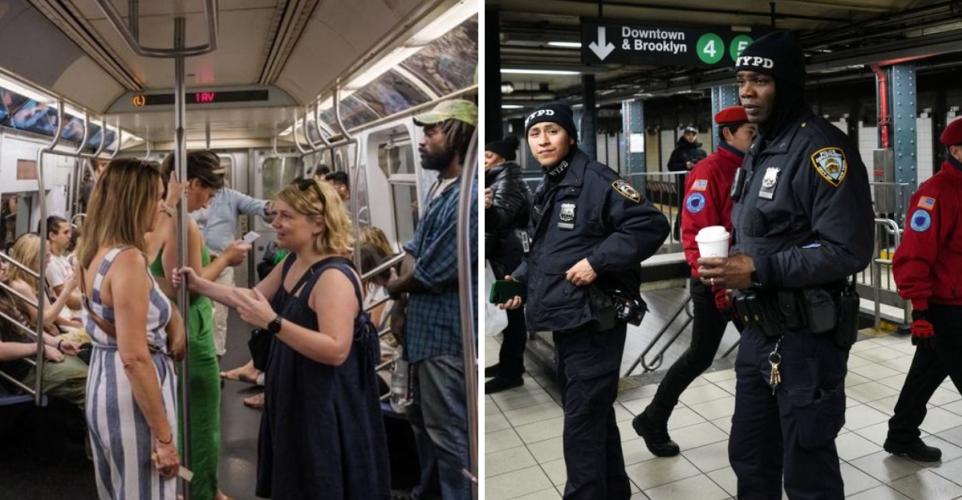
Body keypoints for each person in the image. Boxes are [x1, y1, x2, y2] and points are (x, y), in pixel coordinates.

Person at [697, 31, 873, 498]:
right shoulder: (761, 148)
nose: (747, 91)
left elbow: (848, 248)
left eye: (760, 80)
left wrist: (758, 269)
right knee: (751, 458)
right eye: (741, 81)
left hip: (805, 343)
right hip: (758, 334)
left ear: (788, 84)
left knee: (807, 470)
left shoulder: (822, 152)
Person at [176, 177, 390, 499]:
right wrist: (200, 285)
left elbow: (336, 349)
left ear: (317, 224)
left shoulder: (333, 278)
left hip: (324, 400)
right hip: (294, 391)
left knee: (319, 479)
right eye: (275, 215)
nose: (275, 223)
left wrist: (274, 323)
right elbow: (250, 296)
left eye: (286, 216)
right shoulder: (294, 262)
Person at [502, 102, 670, 500]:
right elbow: (548, 252)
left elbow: (650, 223)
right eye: (535, 134)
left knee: (581, 423)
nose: (543, 141)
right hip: (569, 317)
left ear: (570, 136)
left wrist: (597, 261)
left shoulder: (594, 180)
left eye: (552, 131)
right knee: (593, 414)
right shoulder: (551, 183)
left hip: (593, 319)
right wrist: (519, 281)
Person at [633, 106, 755, 455]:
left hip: (745, 280)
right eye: (750, 132)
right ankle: (654, 418)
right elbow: (696, 234)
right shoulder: (710, 170)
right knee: (703, 355)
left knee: (754, 355)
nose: (756, 138)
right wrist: (717, 288)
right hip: (717, 284)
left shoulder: (754, 166)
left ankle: (653, 418)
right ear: (728, 134)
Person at [77, 158, 187, 499]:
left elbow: (148, 248)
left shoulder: (93, 249)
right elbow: (135, 358)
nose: (158, 205)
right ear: (132, 201)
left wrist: (171, 204)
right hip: (132, 395)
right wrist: (165, 438)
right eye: (153, 197)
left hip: (102, 383)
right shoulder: (127, 261)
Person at [386, 98, 478, 500]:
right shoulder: (442, 191)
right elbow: (412, 249)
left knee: (449, 434)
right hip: (423, 335)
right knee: (423, 424)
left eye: (432, 131)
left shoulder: (467, 200)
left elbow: (431, 271)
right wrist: (403, 291)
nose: (423, 141)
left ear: (457, 136)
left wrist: (395, 288)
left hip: (446, 338)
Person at [155, 151, 250, 500]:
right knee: (204, 423)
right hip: (192, 328)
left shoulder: (157, 216)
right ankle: (203, 493)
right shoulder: (185, 224)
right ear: (192, 184)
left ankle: (190, 486)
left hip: (171, 328)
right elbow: (187, 286)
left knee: (179, 420)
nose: (209, 201)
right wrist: (226, 258)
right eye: (208, 192)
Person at [884, 117, 962, 462]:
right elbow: (914, 255)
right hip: (947, 308)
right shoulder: (935, 194)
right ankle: (901, 434)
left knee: (926, 371)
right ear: (957, 150)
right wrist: (921, 310)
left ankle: (901, 435)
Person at [191, 167, 273, 361]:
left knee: (218, 318)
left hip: (221, 264)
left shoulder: (231, 197)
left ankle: (214, 360)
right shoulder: (189, 199)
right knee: (194, 312)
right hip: (195, 263)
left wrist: (275, 207)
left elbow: (259, 206)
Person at [0, 258, 87, 410]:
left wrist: (57, 343)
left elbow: (29, 330)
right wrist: (41, 348)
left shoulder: (5, 293)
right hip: (25, 371)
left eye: (2, 261)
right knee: (88, 385)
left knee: (89, 372)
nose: (4, 266)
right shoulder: (14, 288)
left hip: (37, 358)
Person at [482, 135, 532, 394]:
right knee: (509, 312)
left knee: (513, 314)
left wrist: (487, 208)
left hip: (510, 258)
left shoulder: (508, 182)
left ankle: (512, 373)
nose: (484, 160)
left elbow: (500, 220)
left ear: (502, 158)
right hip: (504, 256)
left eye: (489, 156)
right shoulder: (497, 178)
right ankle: (507, 364)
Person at [668, 124, 707, 240]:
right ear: (684, 135)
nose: (691, 137)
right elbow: (671, 166)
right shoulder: (677, 152)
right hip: (683, 184)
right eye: (688, 134)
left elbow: (707, 166)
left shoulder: (701, 152)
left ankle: (696, 232)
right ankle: (677, 229)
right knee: (682, 207)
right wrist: (685, 165)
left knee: (699, 207)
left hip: (698, 184)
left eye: (693, 135)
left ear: (696, 136)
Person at [44, 215, 83, 314]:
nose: (70, 236)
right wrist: (90, 301)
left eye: (69, 232)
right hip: (68, 315)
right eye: (65, 232)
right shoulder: (50, 263)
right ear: (52, 236)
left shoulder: (62, 259)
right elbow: (69, 301)